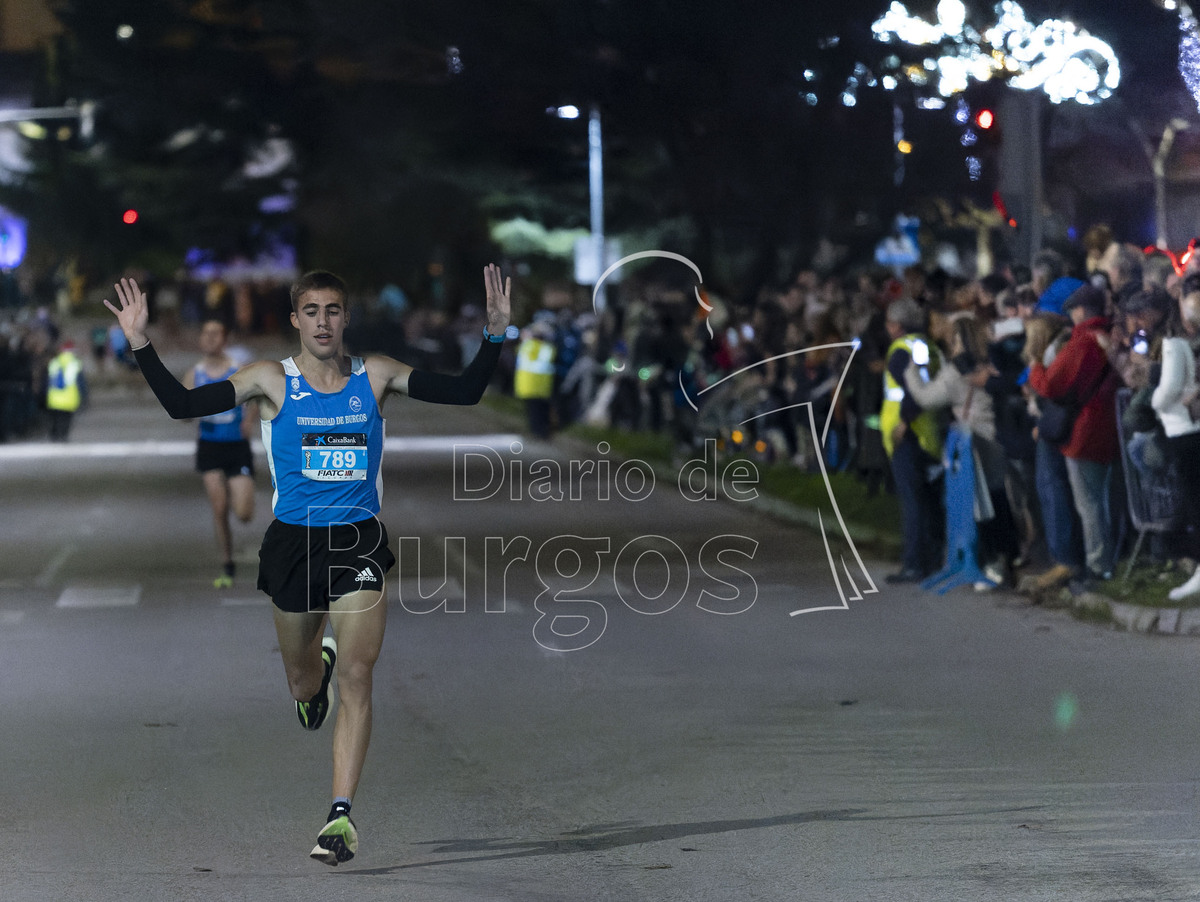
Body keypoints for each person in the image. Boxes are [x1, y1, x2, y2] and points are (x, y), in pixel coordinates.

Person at [105, 265, 512, 866]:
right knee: (304, 682)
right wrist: (140, 341)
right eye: (312, 311)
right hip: (294, 546)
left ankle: (339, 816)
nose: (324, 322)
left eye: (334, 311)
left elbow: (466, 392)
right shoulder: (271, 380)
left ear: (346, 318)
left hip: (358, 543)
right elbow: (183, 404)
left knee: (358, 675)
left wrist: (495, 335)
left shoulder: (376, 376)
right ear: (296, 320)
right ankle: (308, 673)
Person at [1027, 283, 1121, 584]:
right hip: (1107, 427)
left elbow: (1051, 385)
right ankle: (1105, 561)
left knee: (1089, 504)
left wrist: (1035, 367)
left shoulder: (1082, 341)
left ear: (1080, 310)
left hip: (1085, 431)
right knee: (1102, 500)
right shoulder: (1110, 336)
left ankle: (1098, 567)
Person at [185, 319, 257, 588]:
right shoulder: (195, 373)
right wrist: (186, 413)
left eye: (216, 333)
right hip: (209, 446)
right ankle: (227, 562)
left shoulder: (238, 370)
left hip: (237, 447)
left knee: (244, 513)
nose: (210, 338)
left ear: (225, 339)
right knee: (219, 506)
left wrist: (249, 420)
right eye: (206, 333)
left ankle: (243, 505)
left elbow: (256, 397)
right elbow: (181, 406)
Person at [880, 297, 945, 583]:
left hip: (909, 435)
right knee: (929, 501)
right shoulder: (925, 346)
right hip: (930, 433)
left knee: (913, 502)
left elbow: (911, 389)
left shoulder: (899, 352)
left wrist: (904, 421)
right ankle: (932, 558)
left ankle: (914, 564)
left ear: (895, 325)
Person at [45, 338, 86, 441]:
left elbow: (48, 379)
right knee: (67, 418)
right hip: (69, 397)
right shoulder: (75, 363)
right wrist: (84, 396)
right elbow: (80, 382)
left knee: (55, 418)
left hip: (55, 397)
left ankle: (54, 435)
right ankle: (63, 435)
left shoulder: (55, 362)